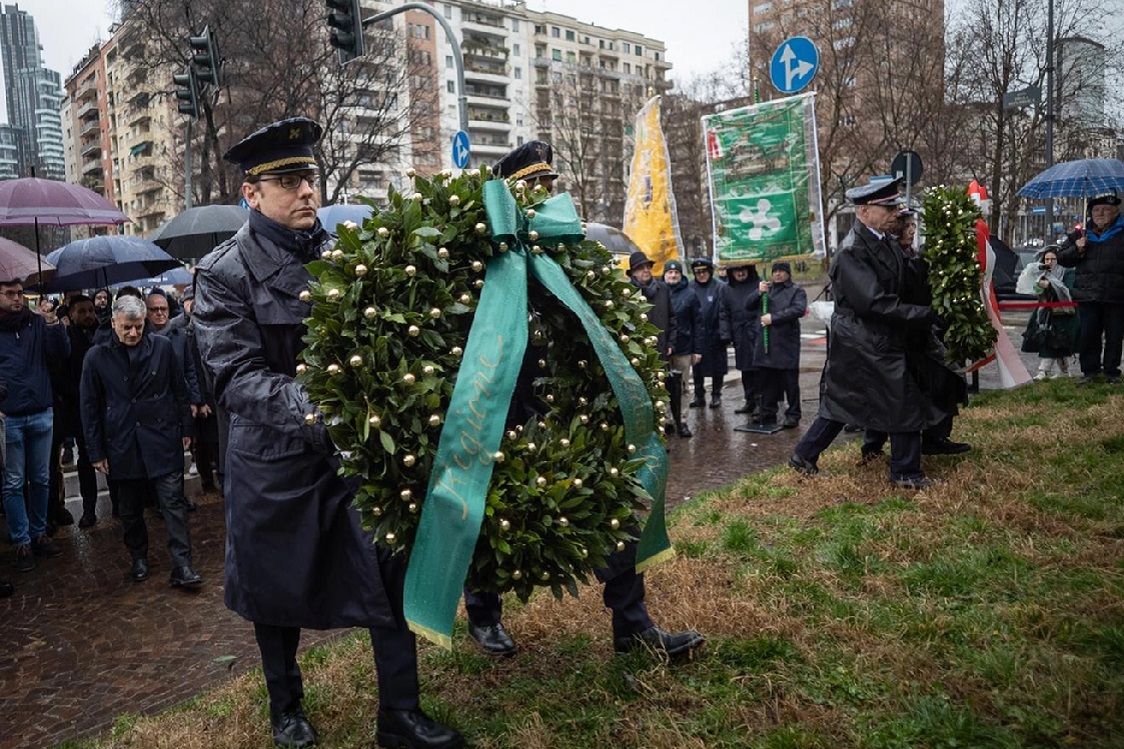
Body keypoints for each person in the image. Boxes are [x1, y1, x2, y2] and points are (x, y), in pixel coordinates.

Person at [192, 117, 463, 749]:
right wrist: (331, 405)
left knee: (386, 573)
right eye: (287, 181)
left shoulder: (343, 251)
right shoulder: (225, 272)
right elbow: (234, 378)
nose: (306, 192)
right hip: (275, 461)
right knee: (272, 592)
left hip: (357, 454)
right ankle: (286, 709)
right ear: (252, 195)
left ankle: (400, 713)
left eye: (310, 177)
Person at [461, 141, 704, 663]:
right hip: (498, 402)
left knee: (611, 503)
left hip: (564, 403)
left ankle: (632, 627)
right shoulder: (482, 252)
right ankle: (484, 613)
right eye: (533, 188)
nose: (545, 196)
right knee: (487, 508)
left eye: (548, 186)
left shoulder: (571, 253)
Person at [789, 177, 939, 489]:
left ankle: (804, 455)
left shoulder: (882, 239)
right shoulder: (853, 251)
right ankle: (905, 472)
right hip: (865, 341)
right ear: (863, 212)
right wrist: (925, 316)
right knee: (900, 401)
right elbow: (874, 303)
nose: (895, 212)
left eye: (894, 206)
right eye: (887, 207)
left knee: (846, 403)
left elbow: (901, 281)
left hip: (873, 338)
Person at [80, 295, 201, 588]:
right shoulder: (96, 357)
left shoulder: (162, 347)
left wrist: (186, 427)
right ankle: (138, 556)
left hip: (161, 436)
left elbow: (179, 389)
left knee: (172, 502)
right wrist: (95, 451)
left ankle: (182, 564)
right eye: (127, 327)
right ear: (113, 323)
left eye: (138, 326)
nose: (133, 333)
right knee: (130, 508)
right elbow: (89, 406)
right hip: (122, 440)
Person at [0, 279, 68, 571]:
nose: (17, 299)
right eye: (10, 294)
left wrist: (52, 322)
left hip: (41, 410)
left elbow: (61, 353)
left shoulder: (37, 323)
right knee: (13, 482)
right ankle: (21, 540)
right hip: (9, 414)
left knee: (41, 477)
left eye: (19, 293)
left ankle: (38, 533)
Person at [1057, 193, 1124, 384]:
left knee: (1114, 336)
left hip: (1116, 294)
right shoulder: (1082, 234)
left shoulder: (1122, 232)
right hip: (1088, 294)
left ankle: (1112, 372)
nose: (1100, 213)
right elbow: (1061, 258)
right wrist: (1077, 249)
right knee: (1088, 335)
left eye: (1106, 210)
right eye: (1096, 210)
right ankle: (1090, 372)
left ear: (1115, 212)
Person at [50, 294, 102, 528]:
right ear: (71, 314)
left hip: (108, 407)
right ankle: (89, 509)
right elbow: (61, 375)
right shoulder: (67, 340)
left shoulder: (104, 334)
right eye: (82, 311)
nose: (89, 315)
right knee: (87, 459)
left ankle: (122, 504)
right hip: (79, 407)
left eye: (91, 310)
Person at [166, 287, 221, 494]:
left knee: (214, 439)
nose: (192, 305)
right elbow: (190, 368)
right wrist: (196, 400)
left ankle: (219, 478)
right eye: (189, 301)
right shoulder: (178, 328)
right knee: (198, 442)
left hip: (208, 393)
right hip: (190, 395)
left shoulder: (209, 322)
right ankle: (206, 479)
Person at [745, 262, 807, 427]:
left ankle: (793, 414)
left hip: (786, 343)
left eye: (781, 271)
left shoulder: (796, 291)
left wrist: (774, 318)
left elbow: (799, 309)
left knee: (790, 382)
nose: (778, 274)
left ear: (788, 273)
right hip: (767, 344)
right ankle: (767, 411)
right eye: (775, 271)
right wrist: (758, 292)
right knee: (768, 381)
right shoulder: (767, 289)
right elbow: (748, 305)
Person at [627, 250, 677, 433]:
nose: (645, 271)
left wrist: (671, 343)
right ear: (633, 272)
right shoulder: (628, 292)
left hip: (661, 351)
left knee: (660, 393)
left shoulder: (663, 289)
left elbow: (672, 319)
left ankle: (661, 431)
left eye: (647, 267)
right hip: (637, 354)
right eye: (640, 268)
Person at [1019, 247, 1078, 380]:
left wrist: (1051, 285)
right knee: (1051, 341)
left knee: (1054, 341)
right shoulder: (1042, 272)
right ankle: (1063, 371)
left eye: (1053, 259)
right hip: (1044, 312)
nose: (1050, 262)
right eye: (1047, 259)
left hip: (1062, 314)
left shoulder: (1067, 273)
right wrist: (1039, 285)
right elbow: (1034, 290)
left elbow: (1067, 291)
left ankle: (1043, 371)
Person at [662, 260, 700, 438]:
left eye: (676, 272)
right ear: (664, 275)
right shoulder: (659, 292)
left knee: (683, 386)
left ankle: (682, 420)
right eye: (670, 273)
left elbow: (698, 324)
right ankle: (667, 419)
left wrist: (697, 349)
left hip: (684, 347)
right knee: (663, 386)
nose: (673, 275)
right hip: (662, 347)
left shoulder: (690, 295)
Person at [718, 264, 761, 416]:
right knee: (745, 369)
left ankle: (760, 403)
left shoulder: (758, 284)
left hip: (756, 332)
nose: (740, 273)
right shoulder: (726, 289)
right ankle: (749, 400)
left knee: (758, 370)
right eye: (736, 270)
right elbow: (723, 312)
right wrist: (725, 334)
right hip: (739, 334)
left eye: (743, 269)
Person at [687, 257, 728, 408]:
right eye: (698, 272)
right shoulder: (690, 287)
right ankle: (699, 396)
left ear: (710, 271)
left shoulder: (720, 286)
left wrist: (723, 333)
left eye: (704, 271)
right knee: (697, 368)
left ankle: (716, 395)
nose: (701, 274)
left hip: (715, 333)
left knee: (718, 367)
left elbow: (725, 310)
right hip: (698, 335)